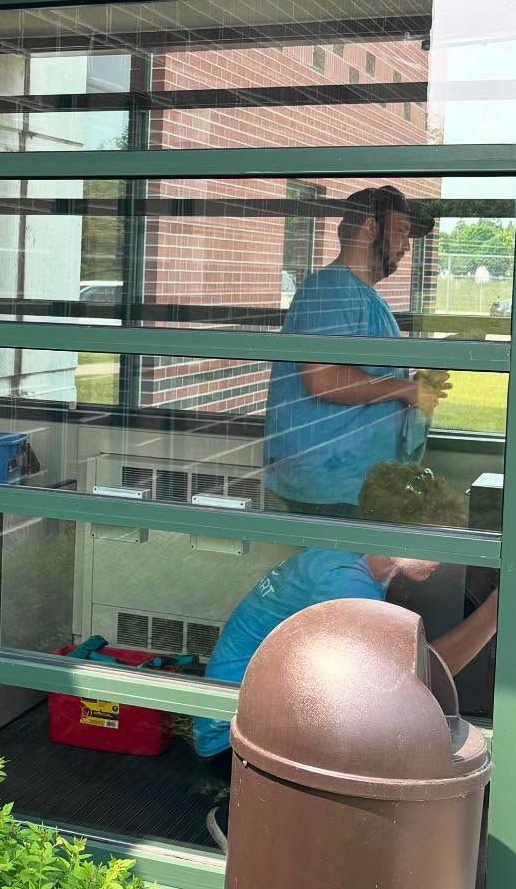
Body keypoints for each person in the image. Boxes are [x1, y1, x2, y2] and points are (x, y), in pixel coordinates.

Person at [193, 464, 499, 844]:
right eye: (433, 540)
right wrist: (494, 614)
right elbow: (411, 681)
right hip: (231, 740)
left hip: (251, 717)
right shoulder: (344, 580)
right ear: (396, 535)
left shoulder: (351, 557)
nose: (441, 556)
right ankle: (240, 820)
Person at [264, 185, 447, 517]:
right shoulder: (329, 289)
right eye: (402, 231)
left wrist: (417, 385)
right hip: (328, 489)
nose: (407, 246)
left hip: (354, 486)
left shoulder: (367, 298)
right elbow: (322, 378)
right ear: (371, 228)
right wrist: (406, 389)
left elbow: (368, 380)